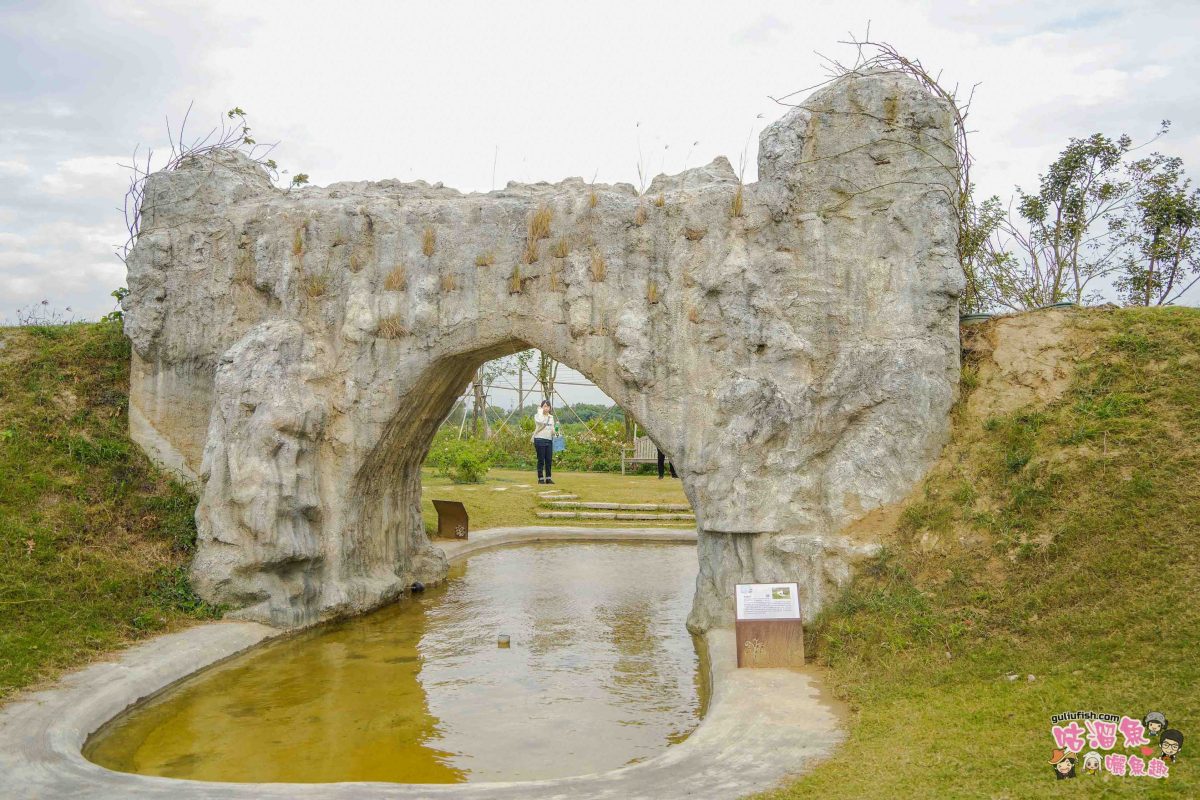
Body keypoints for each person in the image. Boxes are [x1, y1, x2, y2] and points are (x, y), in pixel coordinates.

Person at [532, 400, 556, 484]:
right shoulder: (537, 416)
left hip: (549, 439)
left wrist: (555, 431)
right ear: (541, 407)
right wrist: (540, 411)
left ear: (550, 408)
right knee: (541, 460)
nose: (546, 408)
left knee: (548, 460)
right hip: (539, 439)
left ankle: (548, 478)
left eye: (548, 406)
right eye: (544, 406)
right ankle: (540, 478)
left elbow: (552, 428)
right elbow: (541, 421)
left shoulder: (551, 417)